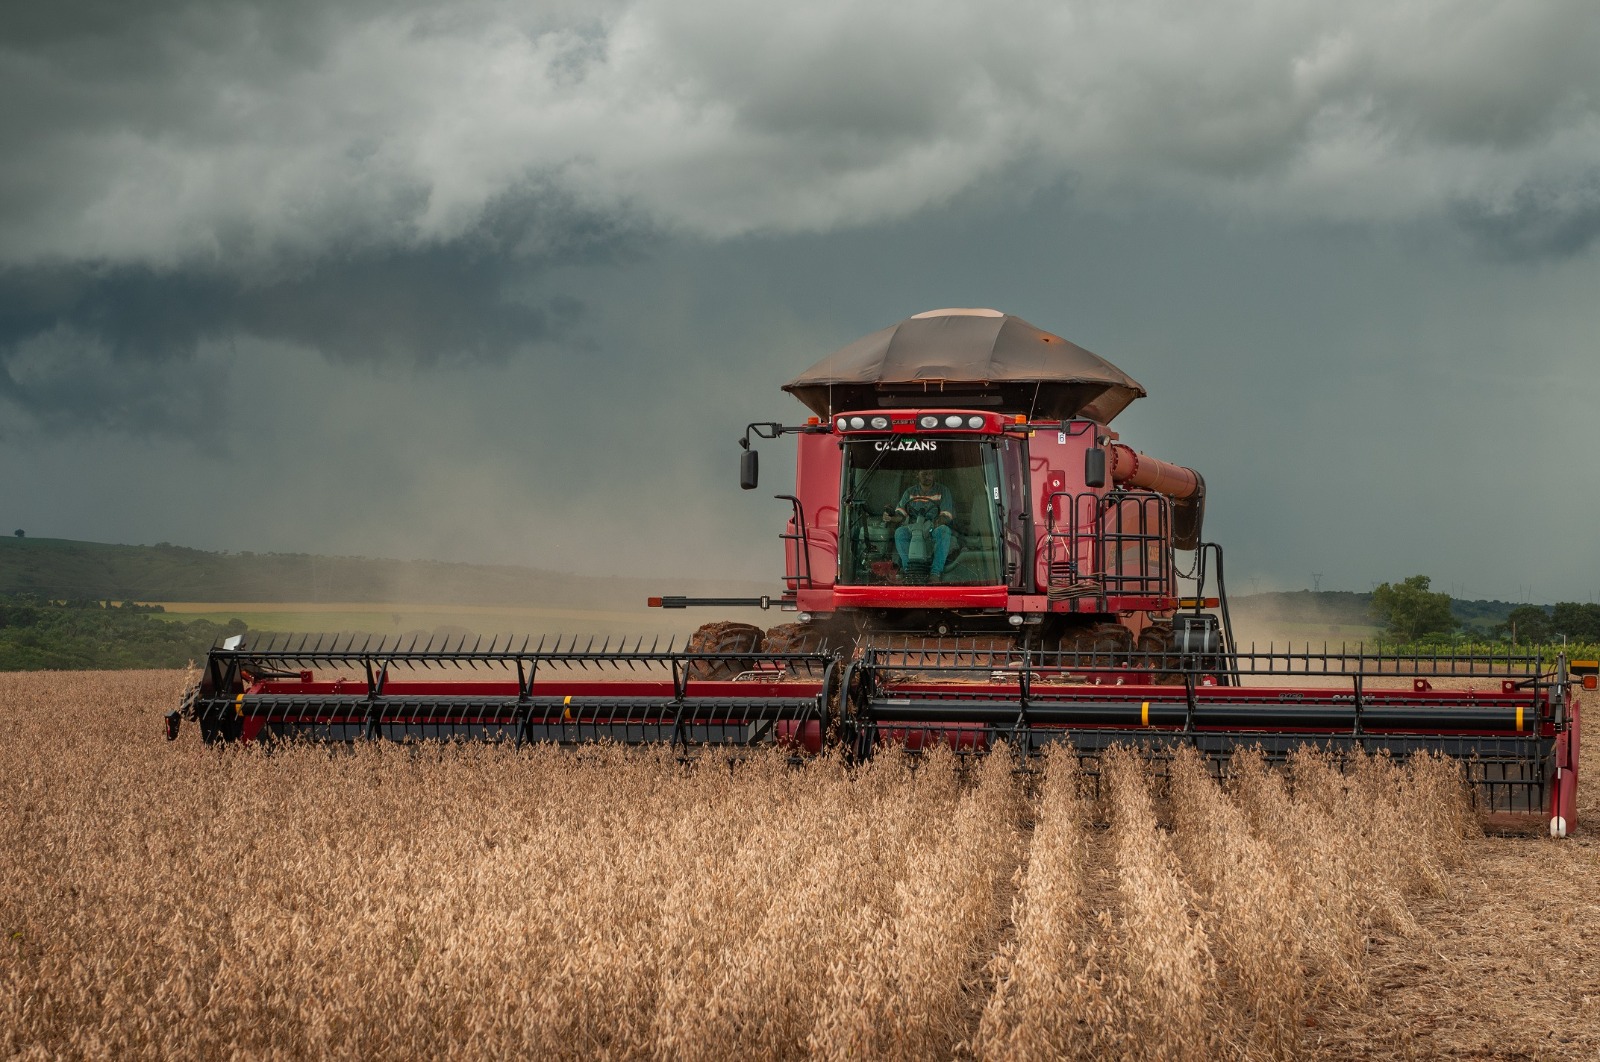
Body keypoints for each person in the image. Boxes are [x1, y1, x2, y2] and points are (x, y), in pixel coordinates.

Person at [883, 468, 956, 580]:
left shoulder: (943, 491)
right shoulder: (910, 492)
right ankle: (909, 570)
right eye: (924, 473)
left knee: (944, 531)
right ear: (917, 475)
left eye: (930, 473)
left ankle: (935, 572)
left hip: (933, 528)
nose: (928, 476)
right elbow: (900, 514)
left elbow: (946, 516)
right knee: (900, 533)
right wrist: (891, 517)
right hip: (913, 529)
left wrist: (931, 526)